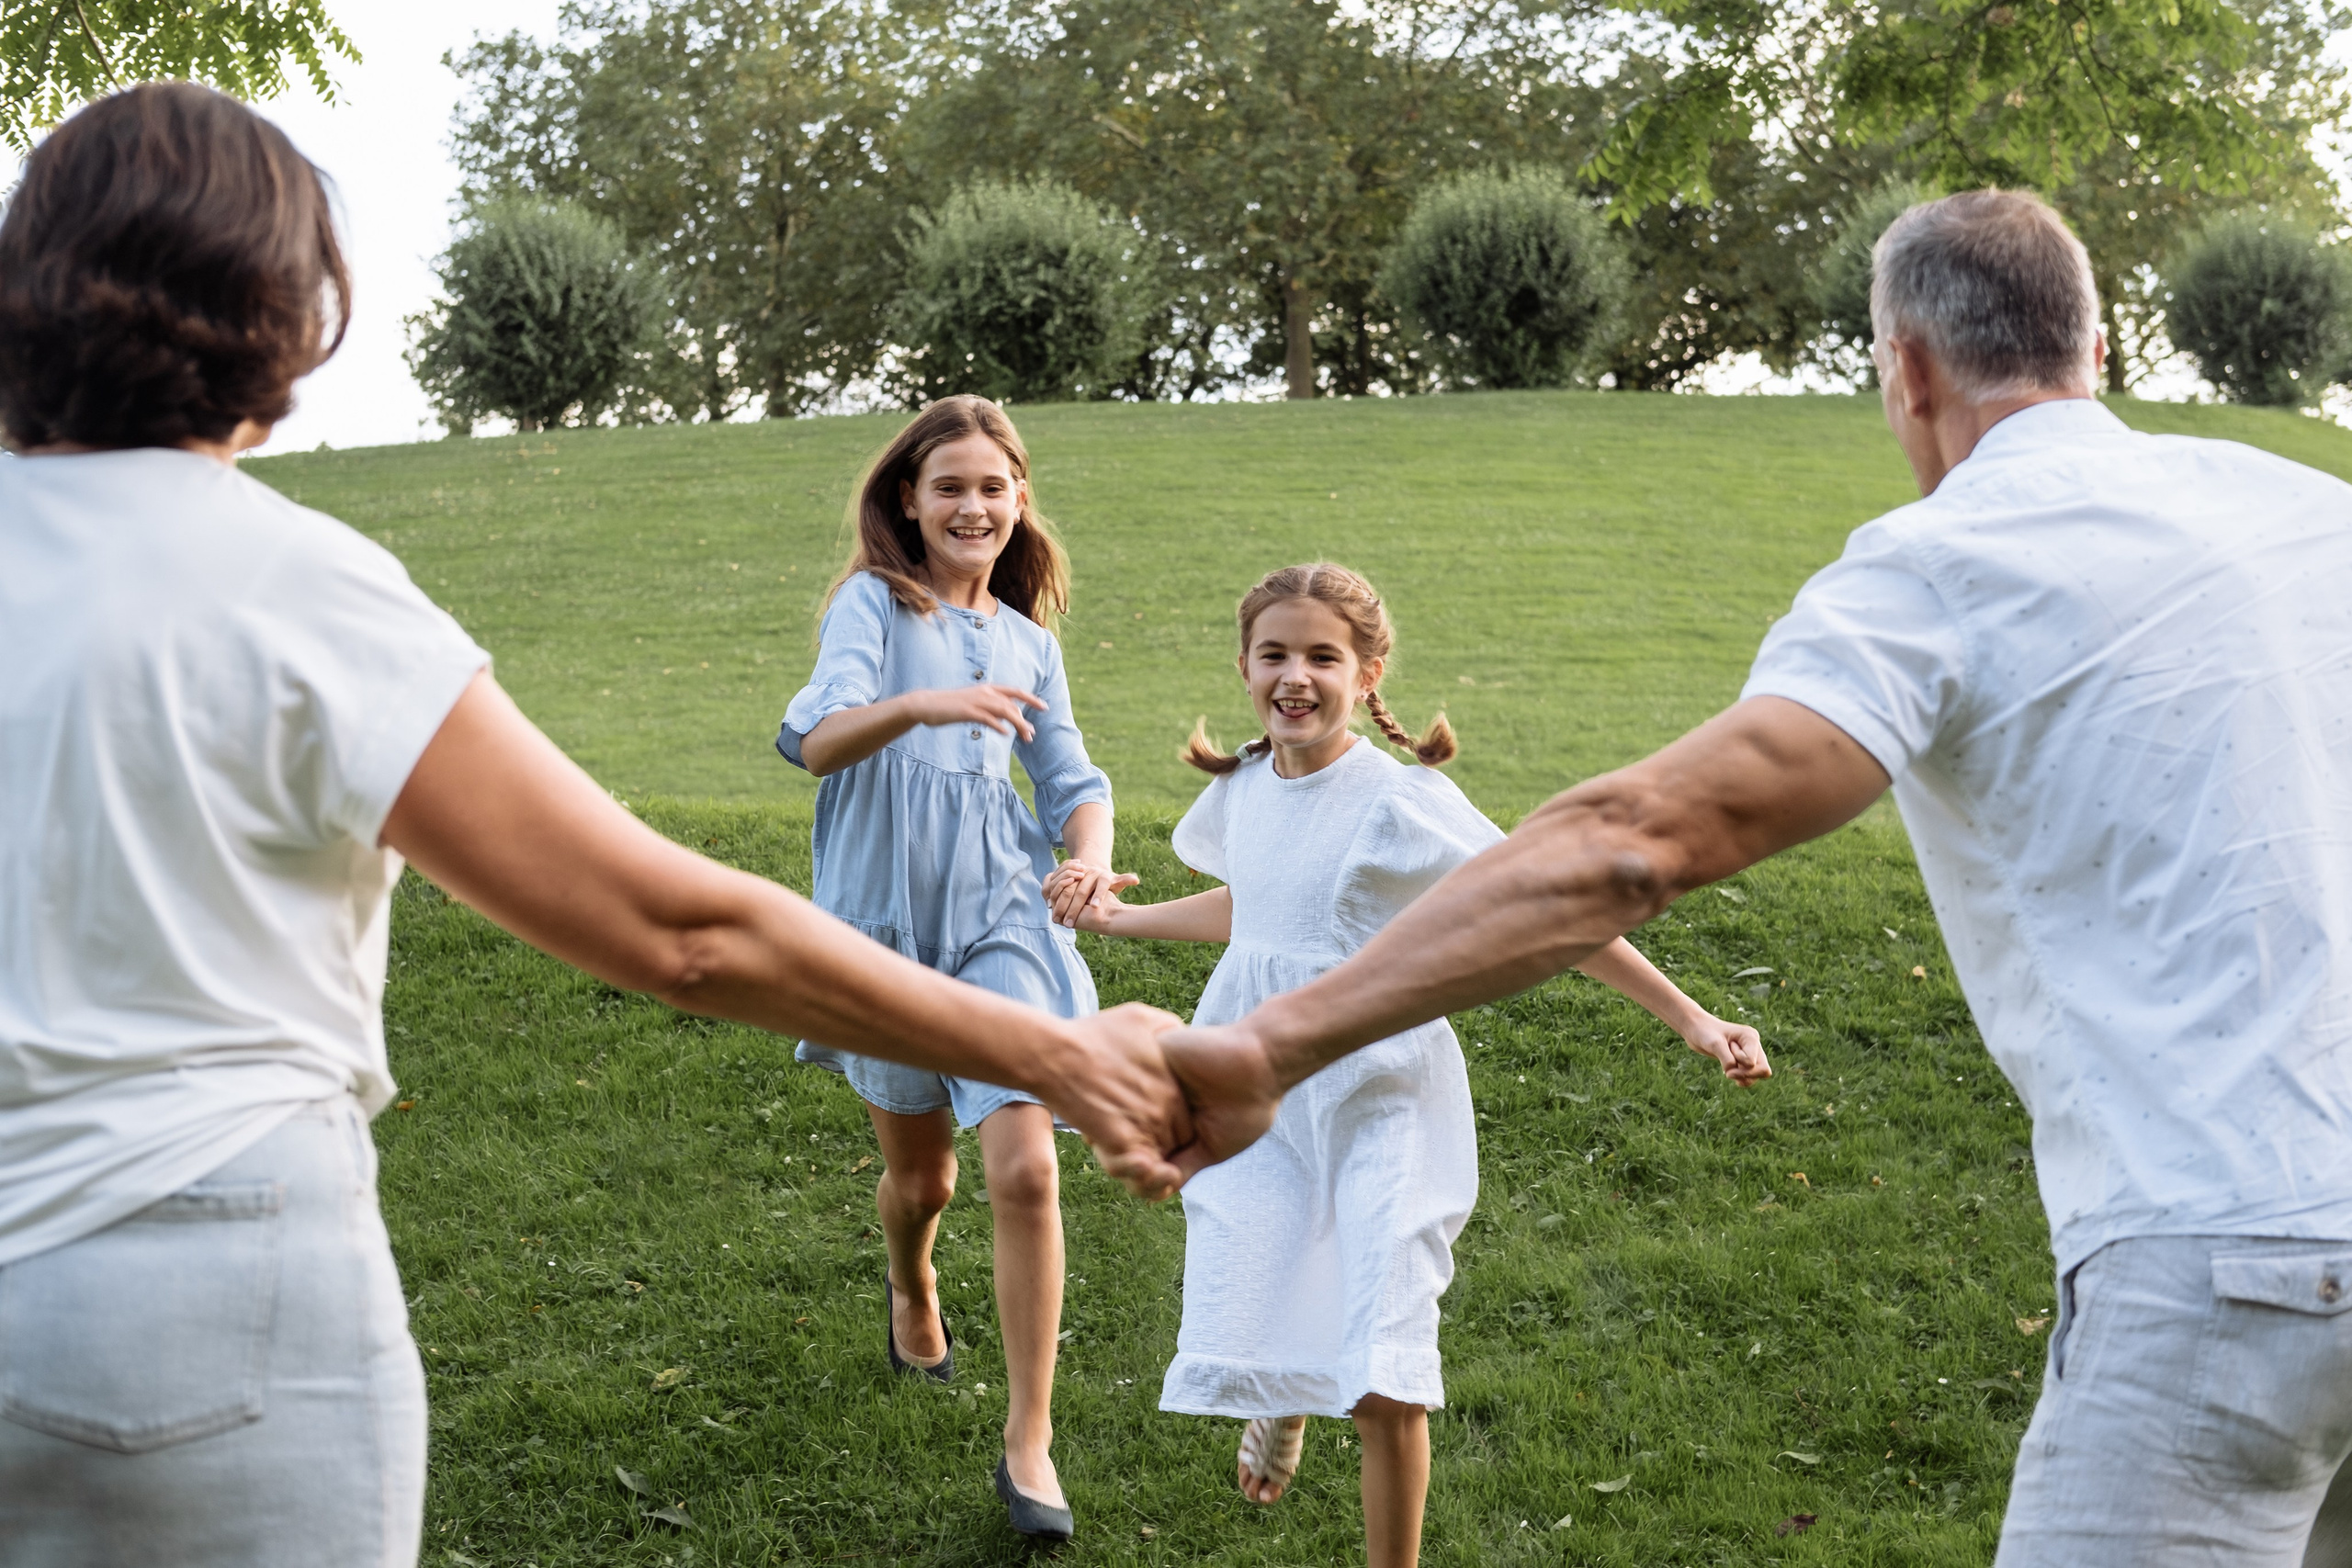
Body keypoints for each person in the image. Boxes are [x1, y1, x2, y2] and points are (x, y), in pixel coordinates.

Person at [0, 85, 1184, 1567]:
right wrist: (1062, 1051)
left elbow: (1051, 778)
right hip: (206, 1281)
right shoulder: (295, 590)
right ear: (289, 313)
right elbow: (675, 932)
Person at [1154, 188, 2352, 1566]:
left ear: (1905, 369)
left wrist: (1272, 1044)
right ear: (2096, 346)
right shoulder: (2313, 510)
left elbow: (1635, 842)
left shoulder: (1944, 563)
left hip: (2227, 1256)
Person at [1074, 563, 1768, 1567]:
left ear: (1368, 674)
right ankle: (1286, 1397)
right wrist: (1121, 919)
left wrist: (1693, 1017)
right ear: (1244, 667)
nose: (1295, 676)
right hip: (1257, 1090)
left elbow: (1543, 903)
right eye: (1275, 654)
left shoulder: (1399, 802)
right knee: (1279, 1266)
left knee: (1385, 1367)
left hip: (1381, 1090)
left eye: (1323, 657)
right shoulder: (1243, 791)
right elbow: (1258, 906)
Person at [772, 395, 1124, 1543]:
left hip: (1000, 917)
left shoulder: (1031, 644)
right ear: (910, 503)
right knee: (923, 1181)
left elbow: (1072, 783)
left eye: (993, 487)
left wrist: (1086, 860)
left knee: (1026, 1168)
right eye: (950, 487)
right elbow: (816, 741)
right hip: (883, 927)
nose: (974, 506)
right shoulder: (872, 605)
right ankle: (912, 1280)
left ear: (1019, 502)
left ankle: (1030, 1442)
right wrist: (920, 703)